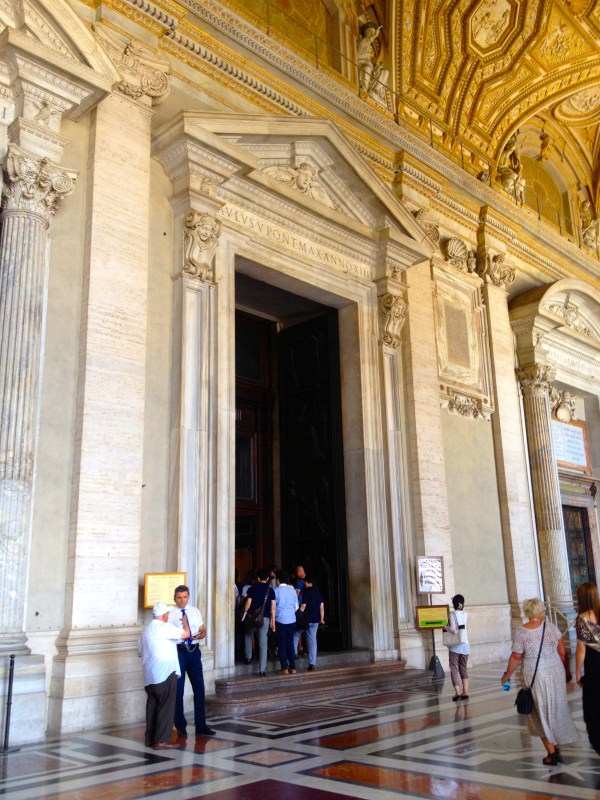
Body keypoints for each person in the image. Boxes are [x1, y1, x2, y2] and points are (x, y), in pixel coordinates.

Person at [501, 598, 577, 765]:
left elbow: (516, 656)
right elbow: (563, 653)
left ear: (528, 612)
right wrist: (568, 671)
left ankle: (551, 753)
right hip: (555, 671)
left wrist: (507, 675)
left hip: (535, 675)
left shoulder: (522, 631)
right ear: (540, 611)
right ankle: (555, 745)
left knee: (539, 711)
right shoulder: (551, 628)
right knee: (555, 707)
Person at [138, 601, 190, 750]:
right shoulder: (164, 627)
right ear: (164, 615)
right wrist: (185, 622)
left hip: (150, 676)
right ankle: (161, 741)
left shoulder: (146, 630)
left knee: (152, 707)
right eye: (167, 613)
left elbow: (140, 652)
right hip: (165, 673)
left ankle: (150, 738)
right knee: (166, 707)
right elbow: (185, 634)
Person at [168, 585, 216, 737]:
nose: (182, 601)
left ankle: (201, 725)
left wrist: (199, 635)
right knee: (178, 690)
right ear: (174, 598)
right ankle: (181, 726)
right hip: (179, 651)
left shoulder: (195, 611)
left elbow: (203, 629)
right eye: (179, 598)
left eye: (185, 597)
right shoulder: (170, 614)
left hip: (194, 651)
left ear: (188, 597)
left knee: (199, 688)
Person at [575, 581, 600, 755]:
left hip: (594, 665)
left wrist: (577, 671)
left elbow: (581, 649)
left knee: (594, 709)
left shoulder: (582, 618)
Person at [242, 567, 276, 676]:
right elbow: (273, 608)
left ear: (257, 578)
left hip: (252, 617)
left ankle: (248, 657)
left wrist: (244, 613)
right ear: (267, 579)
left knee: (248, 635)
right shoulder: (271, 591)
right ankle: (262, 669)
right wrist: (273, 622)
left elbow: (248, 603)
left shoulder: (252, 588)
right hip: (265, 619)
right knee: (263, 643)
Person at [294, 578, 325, 671]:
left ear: (310, 583)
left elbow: (303, 607)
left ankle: (294, 654)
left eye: (306, 582)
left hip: (306, 620)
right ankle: (312, 663)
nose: (305, 584)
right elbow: (322, 608)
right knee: (312, 641)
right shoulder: (319, 594)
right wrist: (322, 619)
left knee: (296, 634)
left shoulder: (307, 593)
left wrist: (297, 615)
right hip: (315, 620)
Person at [274, 569, 298, 674]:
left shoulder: (276, 591)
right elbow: (296, 606)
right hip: (292, 620)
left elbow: (273, 607)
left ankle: (284, 668)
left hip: (280, 620)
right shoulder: (292, 590)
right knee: (290, 643)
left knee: (282, 644)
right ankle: (292, 667)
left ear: (278, 580)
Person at [447, 594, 469, 700]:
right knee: (463, 668)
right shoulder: (466, 614)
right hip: (465, 644)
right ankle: (465, 692)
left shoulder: (452, 614)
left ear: (453, 604)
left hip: (455, 646)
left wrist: (445, 627)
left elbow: (454, 630)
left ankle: (457, 693)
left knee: (454, 668)